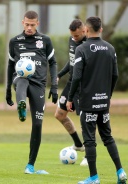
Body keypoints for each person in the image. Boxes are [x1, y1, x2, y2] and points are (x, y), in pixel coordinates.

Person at [66, 16, 127, 184]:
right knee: (108, 137)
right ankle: (120, 171)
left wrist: (70, 98)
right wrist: (108, 94)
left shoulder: (82, 49)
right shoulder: (110, 48)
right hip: (103, 102)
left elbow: (76, 76)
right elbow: (115, 75)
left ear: (86, 30)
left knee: (90, 139)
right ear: (100, 29)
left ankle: (93, 178)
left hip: (88, 102)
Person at [5, 10, 58, 174]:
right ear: (23, 23)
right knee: (22, 78)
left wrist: (54, 86)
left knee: (37, 124)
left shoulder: (45, 40)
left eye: (32, 25)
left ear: (37, 24)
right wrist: (7, 89)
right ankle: (21, 105)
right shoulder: (15, 41)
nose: (29, 27)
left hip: (39, 85)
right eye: (26, 24)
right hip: (19, 80)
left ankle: (30, 166)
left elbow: (53, 63)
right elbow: (10, 66)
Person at [55, 19, 88, 166]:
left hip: (84, 87)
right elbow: (72, 60)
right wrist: (60, 74)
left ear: (84, 30)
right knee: (60, 115)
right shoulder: (72, 40)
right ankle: (78, 144)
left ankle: (89, 154)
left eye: (76, 36)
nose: (74, 38)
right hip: (71, 84)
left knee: (85, 121)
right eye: (72, 36)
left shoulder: (89, 45)